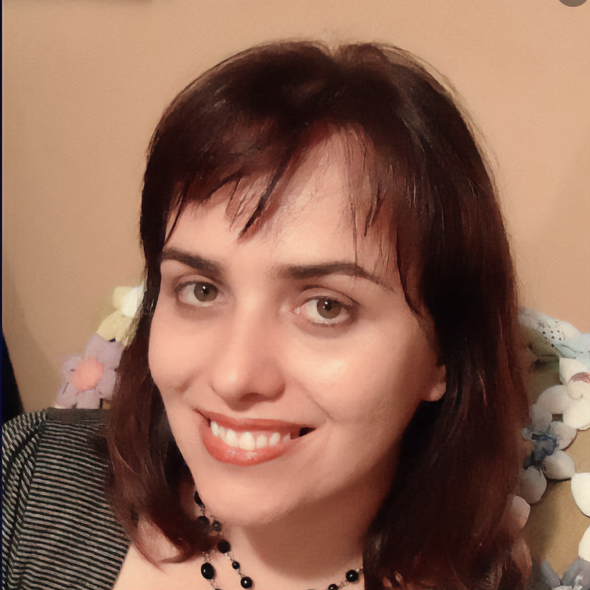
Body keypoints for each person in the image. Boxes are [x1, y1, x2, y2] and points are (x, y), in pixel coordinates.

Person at [2, 41, 531, 590]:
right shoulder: (32, 483)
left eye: (326, 307)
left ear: (444, 353)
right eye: (201, 290)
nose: (234, 377)